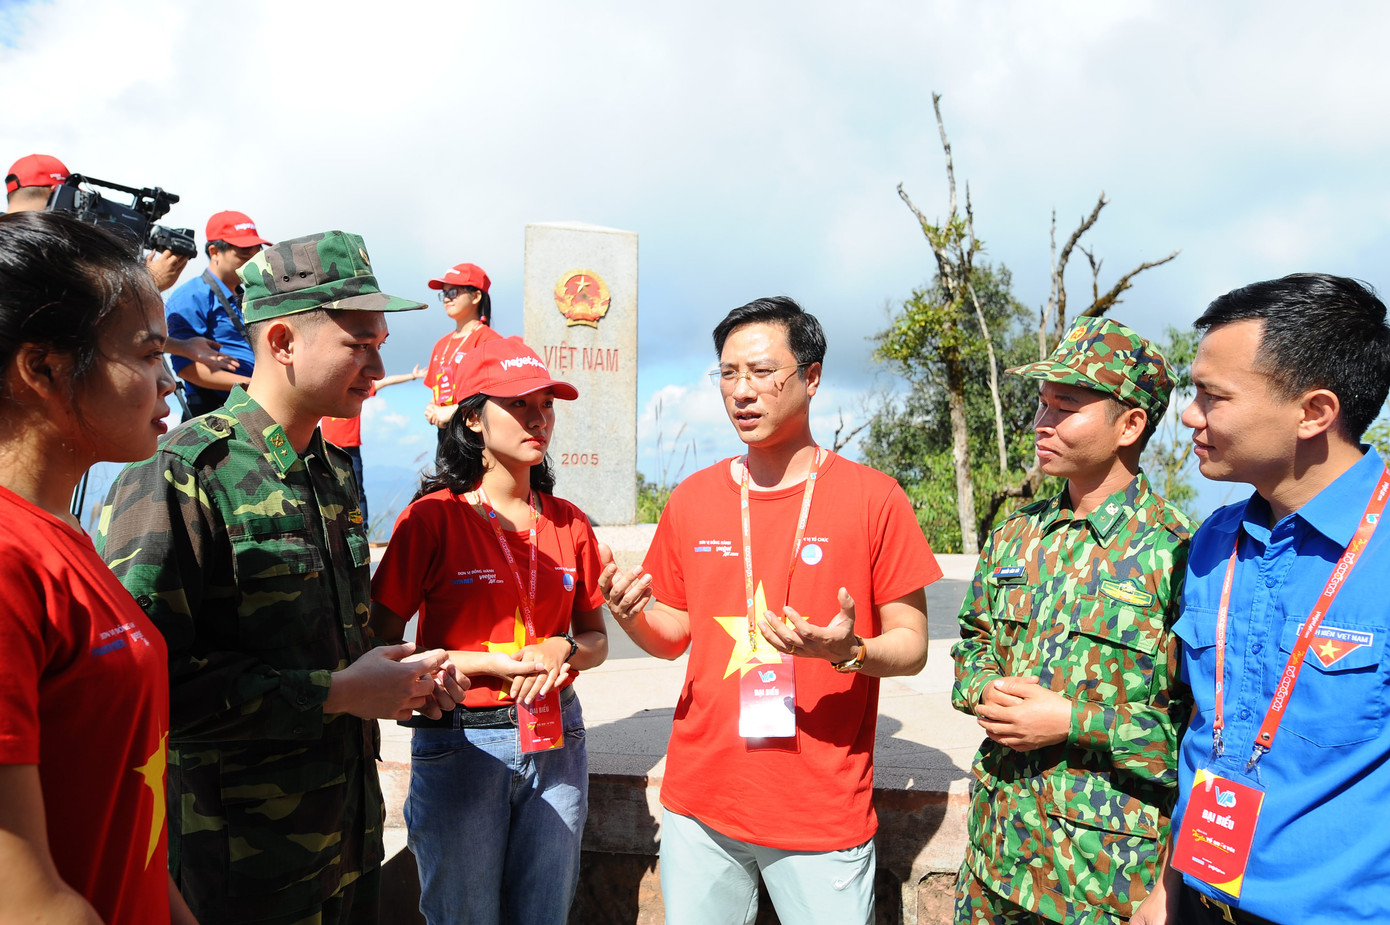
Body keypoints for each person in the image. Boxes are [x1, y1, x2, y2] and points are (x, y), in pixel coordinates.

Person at [98, 230, 466, 925]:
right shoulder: (182, 472)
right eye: (359, 343)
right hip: (242, 871)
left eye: (380, 341)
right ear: (282, 342)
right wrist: (336, 692)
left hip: (346, 847)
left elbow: (329, 648)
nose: (378, 362)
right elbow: (144, 686)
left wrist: (393, 678)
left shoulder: (327, 471)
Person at [600, 296, 939, 924]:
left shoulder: (875, 498)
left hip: (820, 811)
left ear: (810, 377)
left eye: (761, 371)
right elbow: (674, 634)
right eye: (728, 374)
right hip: (699, 805)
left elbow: (913, 645)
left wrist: (848, 651)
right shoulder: (694, 498)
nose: (741, 391)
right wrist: (630, 612)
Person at [1131, 274, 1390, 925]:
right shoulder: (1214, 542)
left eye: (1212, 396)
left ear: (1314, 411)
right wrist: (1167, 888)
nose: (1189, 415)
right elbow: (1206, 737)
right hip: (1197, 896)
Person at [952, 317, 1193, 925]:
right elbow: (973, 645)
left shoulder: (1180, 553)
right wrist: (986, 689)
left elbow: (1200, 738)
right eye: (1041, 403)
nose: (1041, 422)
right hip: (996, 857)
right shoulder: (1014, 535)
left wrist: (1071, 722)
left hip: (1102, 879)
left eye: (1066, 407)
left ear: (1130, 425)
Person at [370, 336, 608, 925]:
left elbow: (595, 640)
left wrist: (564, 646)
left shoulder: (570, 522)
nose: (538, 419)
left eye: (546, 405)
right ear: (474, 418)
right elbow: (379, 649)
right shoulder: (432, 518)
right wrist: (470, 664)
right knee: (463, 915)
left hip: (557, 738)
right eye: (519, 405)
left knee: (543, 914)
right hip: (461, 741)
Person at [0, 211, 195, 923]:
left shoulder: (65, 536)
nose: (169, 383)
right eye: (146, 356)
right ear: (43, 369)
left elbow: (123, 828)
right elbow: (27, 904)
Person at [4, 153, 233, 366]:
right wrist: (147, 284)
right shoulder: (24, 249)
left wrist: (183, 347)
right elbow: (62, 324)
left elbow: (91, 327)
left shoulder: (26, 244)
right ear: (58, 193)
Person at [164, 210, 271, 418]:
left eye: (256, 254)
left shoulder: (248, 297)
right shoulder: (191, 295)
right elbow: (187, 368)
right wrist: (253, 386)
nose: (251, 263)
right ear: (215, 252)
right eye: (243, 254)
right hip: (215, 414)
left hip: (255, 407)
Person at [320, 363, 424, 529]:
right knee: (328, 489)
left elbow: (386, 382)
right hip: (326, 447)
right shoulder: (325, 392)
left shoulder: (355, 391)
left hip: (350, 448)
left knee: (357, 490)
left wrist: (412, 376)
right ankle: (333, 527)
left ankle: (362, 528)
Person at [423, 261, 502, 448]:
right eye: (444, 293)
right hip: (443, 435)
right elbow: (436, 390)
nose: (447, 299)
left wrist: (454, 412)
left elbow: (493, 396)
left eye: (453, 292)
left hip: (473, 436)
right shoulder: (441, 344)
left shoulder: (490, 341)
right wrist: (432, 408)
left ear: (475, 296)